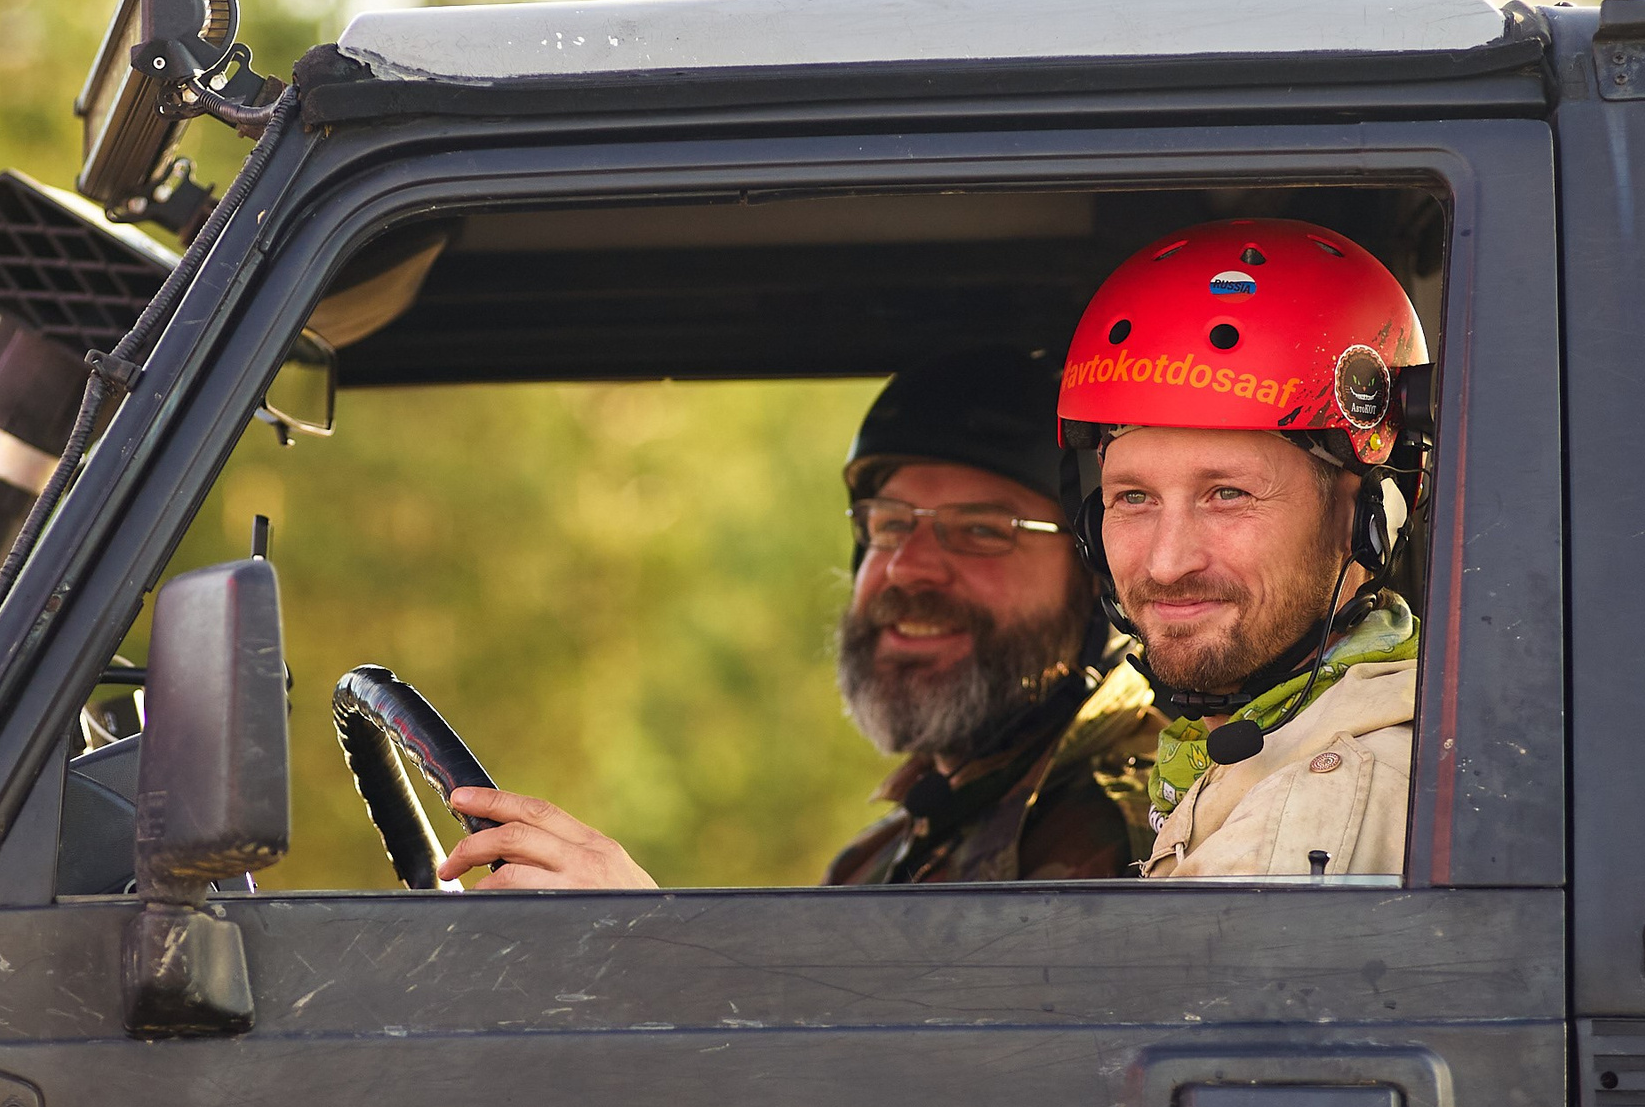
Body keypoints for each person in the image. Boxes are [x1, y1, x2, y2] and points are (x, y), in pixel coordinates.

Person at [437, 347, 1158, 889]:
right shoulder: (883, 858)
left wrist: (647, 952)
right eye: (888, 524)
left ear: (1095, 572)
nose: (908, 566)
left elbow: (962, 1085)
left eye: (980, 530)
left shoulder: (1138, 833)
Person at [1054, 217, 1425, 878]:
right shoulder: (1237, 754)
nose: (1168, 562)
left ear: (1375, 509)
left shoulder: (1318, 810)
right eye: (1132, 497)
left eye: (1227, 494)